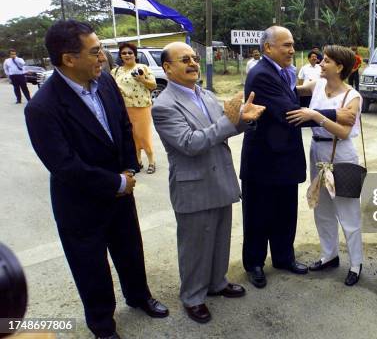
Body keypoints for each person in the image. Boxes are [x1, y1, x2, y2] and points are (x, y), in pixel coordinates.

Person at [24, 20, 168, 339]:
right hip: (81, 203)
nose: (104, 57)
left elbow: (123, 125)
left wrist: (130, 168)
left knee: (130, 249)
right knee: (91, 267)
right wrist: (116, 183)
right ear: (69, 59)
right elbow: (64, 166)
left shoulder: (104, 83)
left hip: (121, 190)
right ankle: (103, 325)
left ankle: (139, 296)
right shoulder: (42, 107)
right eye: (96, 51)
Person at [152, 42, 265, 324]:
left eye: (194, 58)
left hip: (219, 177)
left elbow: (223, 129)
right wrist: (230, 121)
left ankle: (217, 282)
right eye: (184, 60)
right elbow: (190, 143)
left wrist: (243, 120)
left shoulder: (205, 93)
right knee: (195, 246)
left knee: (219, 237)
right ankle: (192, 296)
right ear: (167, 68)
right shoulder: (164, 106)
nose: (193, 63)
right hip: (193, 184)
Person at [240, 26, 356, 289]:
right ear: (268, 48)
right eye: (286, 45)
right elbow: (289, 113)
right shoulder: (261, 74)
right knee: (258, 214)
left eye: (292, 44)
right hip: (263, 159)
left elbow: (300, 97)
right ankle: (255, 264)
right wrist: (337, 114)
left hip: (286, 157)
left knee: (285, 212)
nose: (292, 50)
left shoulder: (286, 72)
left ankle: (283, 258)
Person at [286, 45, 364, 286]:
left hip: (340, 155)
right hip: (317, 151)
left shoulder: (352, 96)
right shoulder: (318, 84)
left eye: (327, 61)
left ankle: (356, 263)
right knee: (322, 208)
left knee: (347, 212)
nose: (320, 63)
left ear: (340, 67)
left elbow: (343, 131)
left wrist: (316, 116)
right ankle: (329, 255)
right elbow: (295, 90)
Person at [112, 42, 157, 174]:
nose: (127, 55)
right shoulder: (116, 71)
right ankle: (138, 161)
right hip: (124, 109)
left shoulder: (142, 68)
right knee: (131, 137)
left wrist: (142, 79)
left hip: (141, 107)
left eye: (130, 52)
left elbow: (153, 85)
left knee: (143, 135)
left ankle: (151, 161)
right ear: (120, 56)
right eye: (124, 53)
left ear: (135, 54)